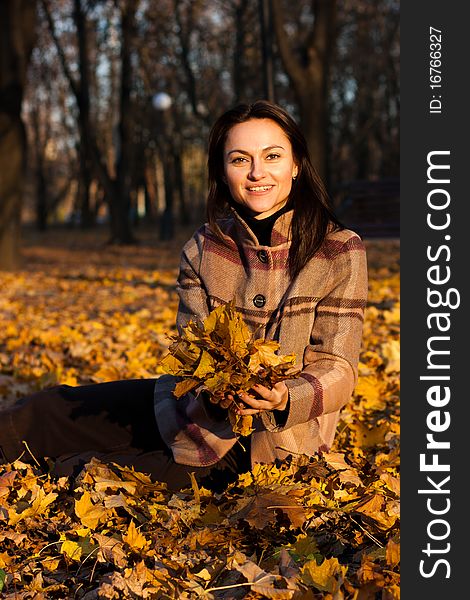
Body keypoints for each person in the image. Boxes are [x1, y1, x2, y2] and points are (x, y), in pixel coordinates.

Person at [0, 101, 367, 492]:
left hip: (274, 445)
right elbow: (193, 349)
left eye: (272, 156)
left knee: (92, 472)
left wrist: (284, 397)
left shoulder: (338, 249)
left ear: (295, 165)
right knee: (49, 411)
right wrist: (213, 390)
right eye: (240, 159)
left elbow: (338, 367)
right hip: (197, 412)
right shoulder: (204, 246)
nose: (257, 172)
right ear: (223, 173)